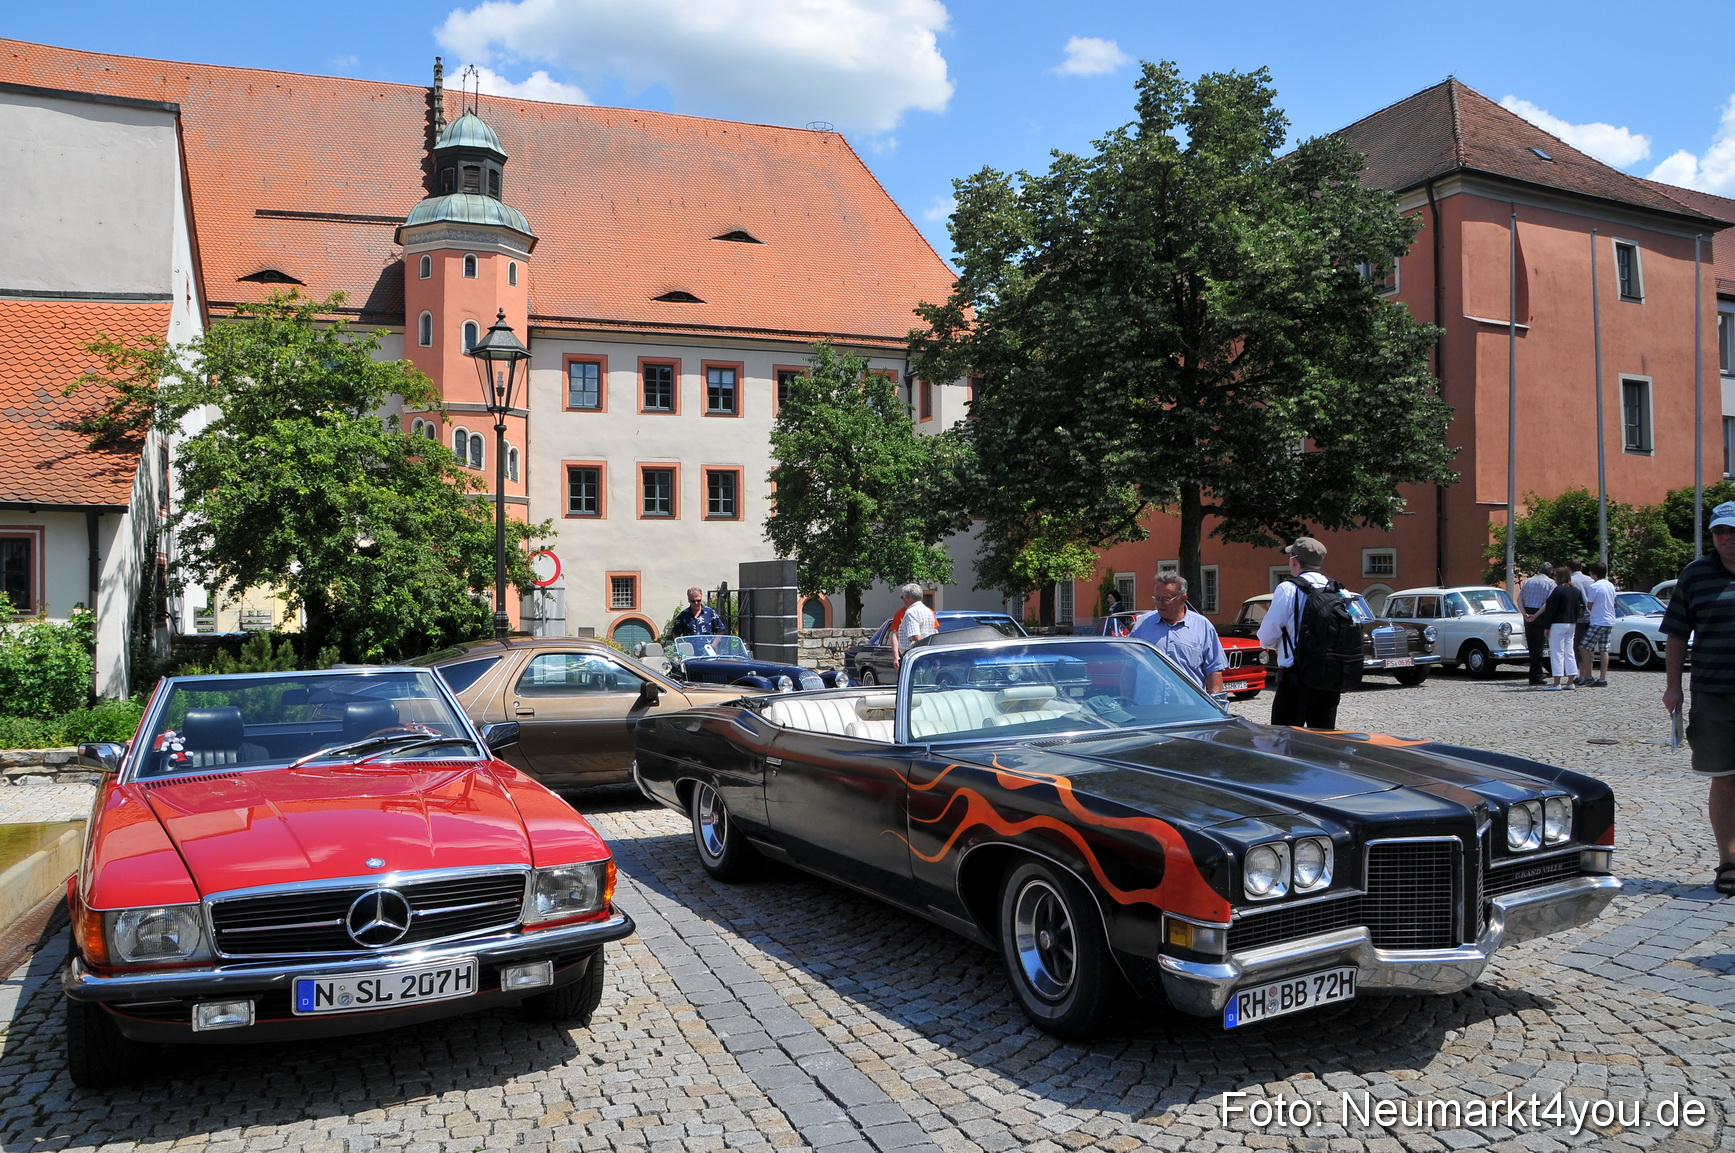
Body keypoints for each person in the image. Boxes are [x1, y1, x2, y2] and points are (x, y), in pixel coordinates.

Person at [1661, 500, 1735, 897]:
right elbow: (1676, 633)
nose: (1728, 539)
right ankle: (1729, 861)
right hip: (1713, 691)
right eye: (1722, 532)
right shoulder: (1696, 575)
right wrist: (1673, 687)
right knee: (1724, 779)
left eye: (1734, 532)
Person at [1256, 537, 1342, 729]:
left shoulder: (1288, 589)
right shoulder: (1336, 589)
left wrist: (1277, 645)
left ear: (1294, 560)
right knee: (1324, 740)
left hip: (1296, 678)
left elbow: (1266, 636)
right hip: (1328, 677)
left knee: (1284, 739)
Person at [1129, 573, 1226, 693]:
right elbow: (1129, 668)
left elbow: (1214, 671)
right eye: (1157, 598)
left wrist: (1216, 706)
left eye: (1165, 599)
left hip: (1189, 707)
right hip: (1149, 707)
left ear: (1183, 599)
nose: (1159, 604)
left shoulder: (1203, 626)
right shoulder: (1142, 625)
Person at [1536, 566, 1584, 690]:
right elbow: (1582, 606)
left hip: (1558, 623)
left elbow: (1551, 610)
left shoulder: (1558, 590)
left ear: (1559, 577)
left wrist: (1547, 627)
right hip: (1572, 623)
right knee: (1569, 652)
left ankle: (1557, 682)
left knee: (1557, 652)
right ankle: (1570, 681)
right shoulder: (1576, 590)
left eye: (1555, 576)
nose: (1554, 578)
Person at [1519, 563, 1555, 686]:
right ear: (1550, 572)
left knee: (1531, 646)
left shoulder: (1528, 581)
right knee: (1539, 647)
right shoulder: (1551, 583)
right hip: (1540, 614)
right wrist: (1537, 615)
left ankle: (1536, 672)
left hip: (1527, 612)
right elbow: (1548, 603)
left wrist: (1524, 614)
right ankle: (1535, 676)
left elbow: (1519, 599)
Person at [1582, 561, 1617, 687]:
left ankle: (1588, 675)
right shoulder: (1610, 585)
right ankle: (1602, 678)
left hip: (1598, 620)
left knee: (1584, 646)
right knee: (1604, 649)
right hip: (1609, 619)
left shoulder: (1594, 587)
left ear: (1593, 573)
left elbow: (1589, 605)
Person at [889, 583, 937, 668]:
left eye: (902, 597)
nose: (902, 600)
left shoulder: (911, 612)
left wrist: (924, 652)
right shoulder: (929, 611)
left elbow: (916, 637)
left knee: (916, 681)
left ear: (907, 597)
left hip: (916, 657)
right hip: (928, 655)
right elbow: (935, 633)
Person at [1568, 560, 1595, 685]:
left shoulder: (1571, 582)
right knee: (1589, 647)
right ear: (1581, 567)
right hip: (1591, 616)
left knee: (1578, 646)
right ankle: (1588, 674)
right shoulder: (1590, 580)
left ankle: (1582, 674)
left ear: (1569, 569)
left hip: (1577, 617)